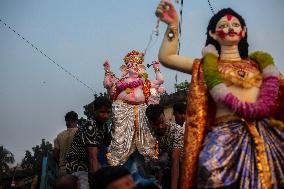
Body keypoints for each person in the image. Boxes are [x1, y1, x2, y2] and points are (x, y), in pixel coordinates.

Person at [155, 1, 284, 188]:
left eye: (235, 25)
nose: (230, 28)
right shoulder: (206, 67)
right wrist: (172, 26)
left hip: (265, 134)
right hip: (223, 135)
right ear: (213, 34)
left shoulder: (261, 67)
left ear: (244, 31)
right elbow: (167, 58)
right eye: (223, 25)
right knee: (211, 176)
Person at [65, 96, 112, 189]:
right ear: (94, 110)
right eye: (102, 112)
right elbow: (92, 158)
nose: (106, 115)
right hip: (78, 165)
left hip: (91, 163)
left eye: (108, 112)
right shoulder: (90, 126)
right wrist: (98, 182)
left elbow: (105, 148)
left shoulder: (104, 126)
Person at [145, 104, 184, 189]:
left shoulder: (177, 131)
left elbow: (175, 161)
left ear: (164, 116)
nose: (160, 126)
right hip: (170, 165)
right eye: (156, 124)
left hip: (183, 164)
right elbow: (157, 159)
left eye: (162, 122)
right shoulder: (152, 134)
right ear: (150, 123)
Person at [53, 111, 78, 176]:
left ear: (66, 122)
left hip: (63, 171)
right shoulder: (80, 132)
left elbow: (55, 156)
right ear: (76, 120)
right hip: (78, 169)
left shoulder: (58, 137)